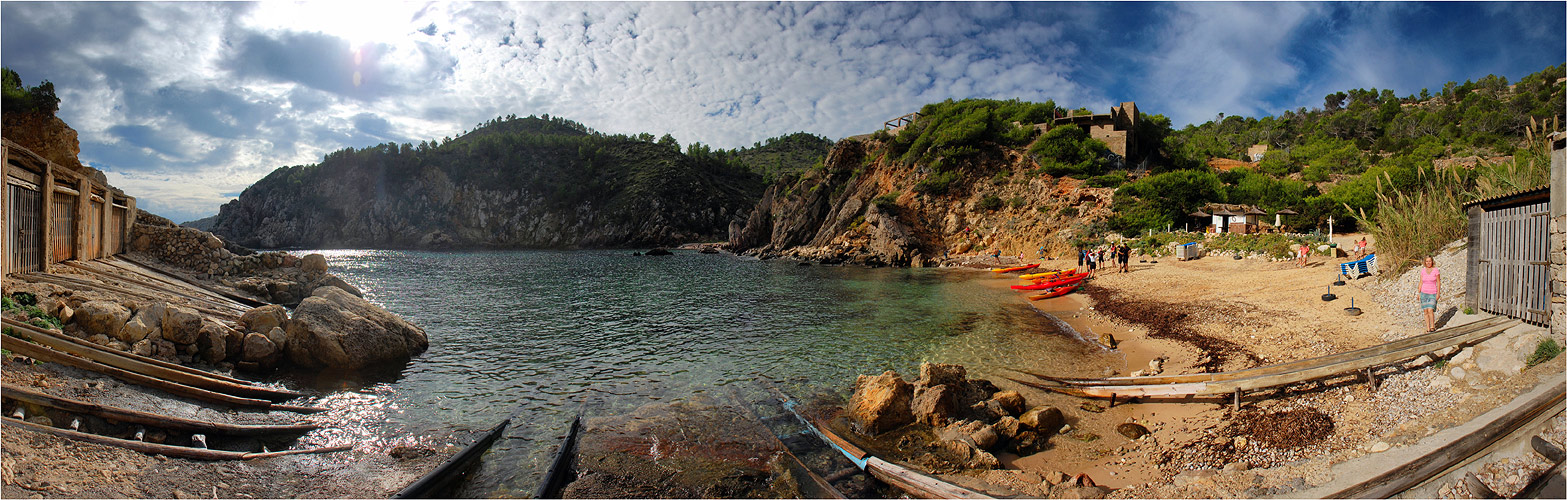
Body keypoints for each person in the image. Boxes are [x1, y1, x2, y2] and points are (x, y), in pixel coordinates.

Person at [1419, 256, 1441, 332]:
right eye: (1427, 261)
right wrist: (1419, 293)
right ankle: (1428, 328)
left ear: (1432, 262)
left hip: (1432, 292)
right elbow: (1421, 282)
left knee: (1430, 310)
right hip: (1424, 293)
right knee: (1425, 311)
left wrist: (1438, 293)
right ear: (1425, 262)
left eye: (1430, 261)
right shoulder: (1423, 271)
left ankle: (1432, 326)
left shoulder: (1436, 270)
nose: (1428, 263)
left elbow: (1438, 282)